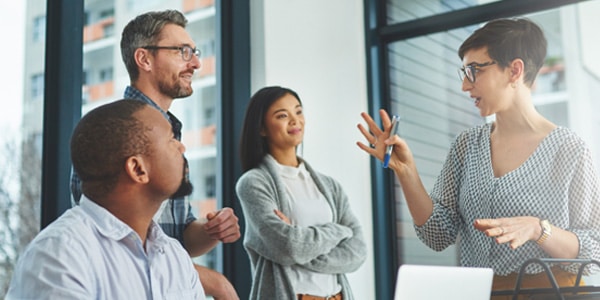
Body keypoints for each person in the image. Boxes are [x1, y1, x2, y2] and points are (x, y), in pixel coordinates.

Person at [357, 18, 600, 298]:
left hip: (554, 294)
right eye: (464, 71)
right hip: (481, 293)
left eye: (474, 71)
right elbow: (437, 235)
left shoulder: (570, 149)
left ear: (514, 70)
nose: (464, 85)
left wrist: (538, 229)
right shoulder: (466, 146)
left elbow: (594, 246)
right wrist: (406, 171)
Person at [70, 10, 240, 299]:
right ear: (144, 59)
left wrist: (212, 230)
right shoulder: (111, 132)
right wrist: (215, 282)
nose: (196, 63)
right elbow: (117, 242)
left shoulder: (172, 137)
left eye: (195, 52)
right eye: (183, 52)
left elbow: (180, 235)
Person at [7, 99, 205, 299]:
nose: (182, 148)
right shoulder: (60, 254)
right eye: (171, 140)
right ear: (138, 169)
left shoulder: (174, 256)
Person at [235, 86, 367, 300]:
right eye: (282, 115)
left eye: (298, 111)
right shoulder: (253, 183)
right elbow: (289, 247)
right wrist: (339, 231)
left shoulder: (330, 186)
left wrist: (300, 239)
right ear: (262, 128)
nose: (295, 120)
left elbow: (358, 253)